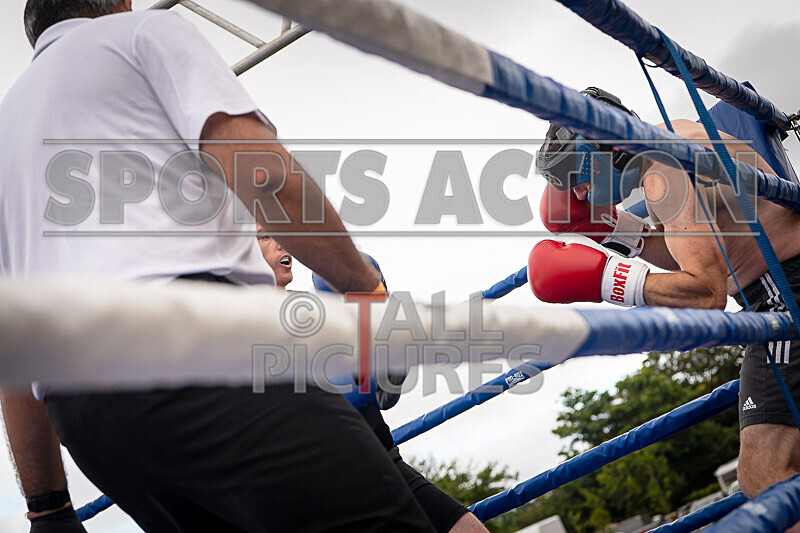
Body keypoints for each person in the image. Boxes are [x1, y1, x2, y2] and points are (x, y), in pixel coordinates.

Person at [1, 1, 437, 531]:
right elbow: (264, 178)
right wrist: (367, 294)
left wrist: (47, 508)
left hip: (93, 425)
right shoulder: (141, 32)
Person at [530, 87, 800, 527]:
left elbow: (706, 292)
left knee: (765, 470)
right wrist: (619, 233)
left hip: (785, 293)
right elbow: (697, 252)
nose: (578, 191)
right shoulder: (670, 143)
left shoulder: (663, 172)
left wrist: (608, 280)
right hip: (777, 289)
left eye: (576, 174)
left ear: (607, 146)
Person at [312, 256, 488, 533]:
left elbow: (385, 391)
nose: (277, 242)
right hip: (320, 485)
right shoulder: (245, 331)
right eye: (262, 237)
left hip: (382, 461)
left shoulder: (322, 309)